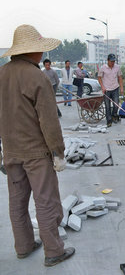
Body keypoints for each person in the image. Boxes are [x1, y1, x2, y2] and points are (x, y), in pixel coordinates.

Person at [0, 24, 75, 267]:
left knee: (17, 202)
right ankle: (54, 250)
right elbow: (49, 121)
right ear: (31, 51)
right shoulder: (37, 77)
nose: (42, 54)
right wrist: (58, 152)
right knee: (46, 201)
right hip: (36, 152)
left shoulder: (1, 75)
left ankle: (23, 246)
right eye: (40, 49)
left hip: (11, 152)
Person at [98, 53, 124, 127]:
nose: (113, 63)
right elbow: (99, 77)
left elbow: (120, 77)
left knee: (116, 104)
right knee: (107, 106)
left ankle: (114, 115)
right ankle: (109, 120)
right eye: (111, 61)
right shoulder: (103, 68)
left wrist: (121, 88)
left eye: (114, 61)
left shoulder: (117, 67)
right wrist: (102, 87)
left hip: (115, 88)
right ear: (108, 60)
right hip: (106, 89)